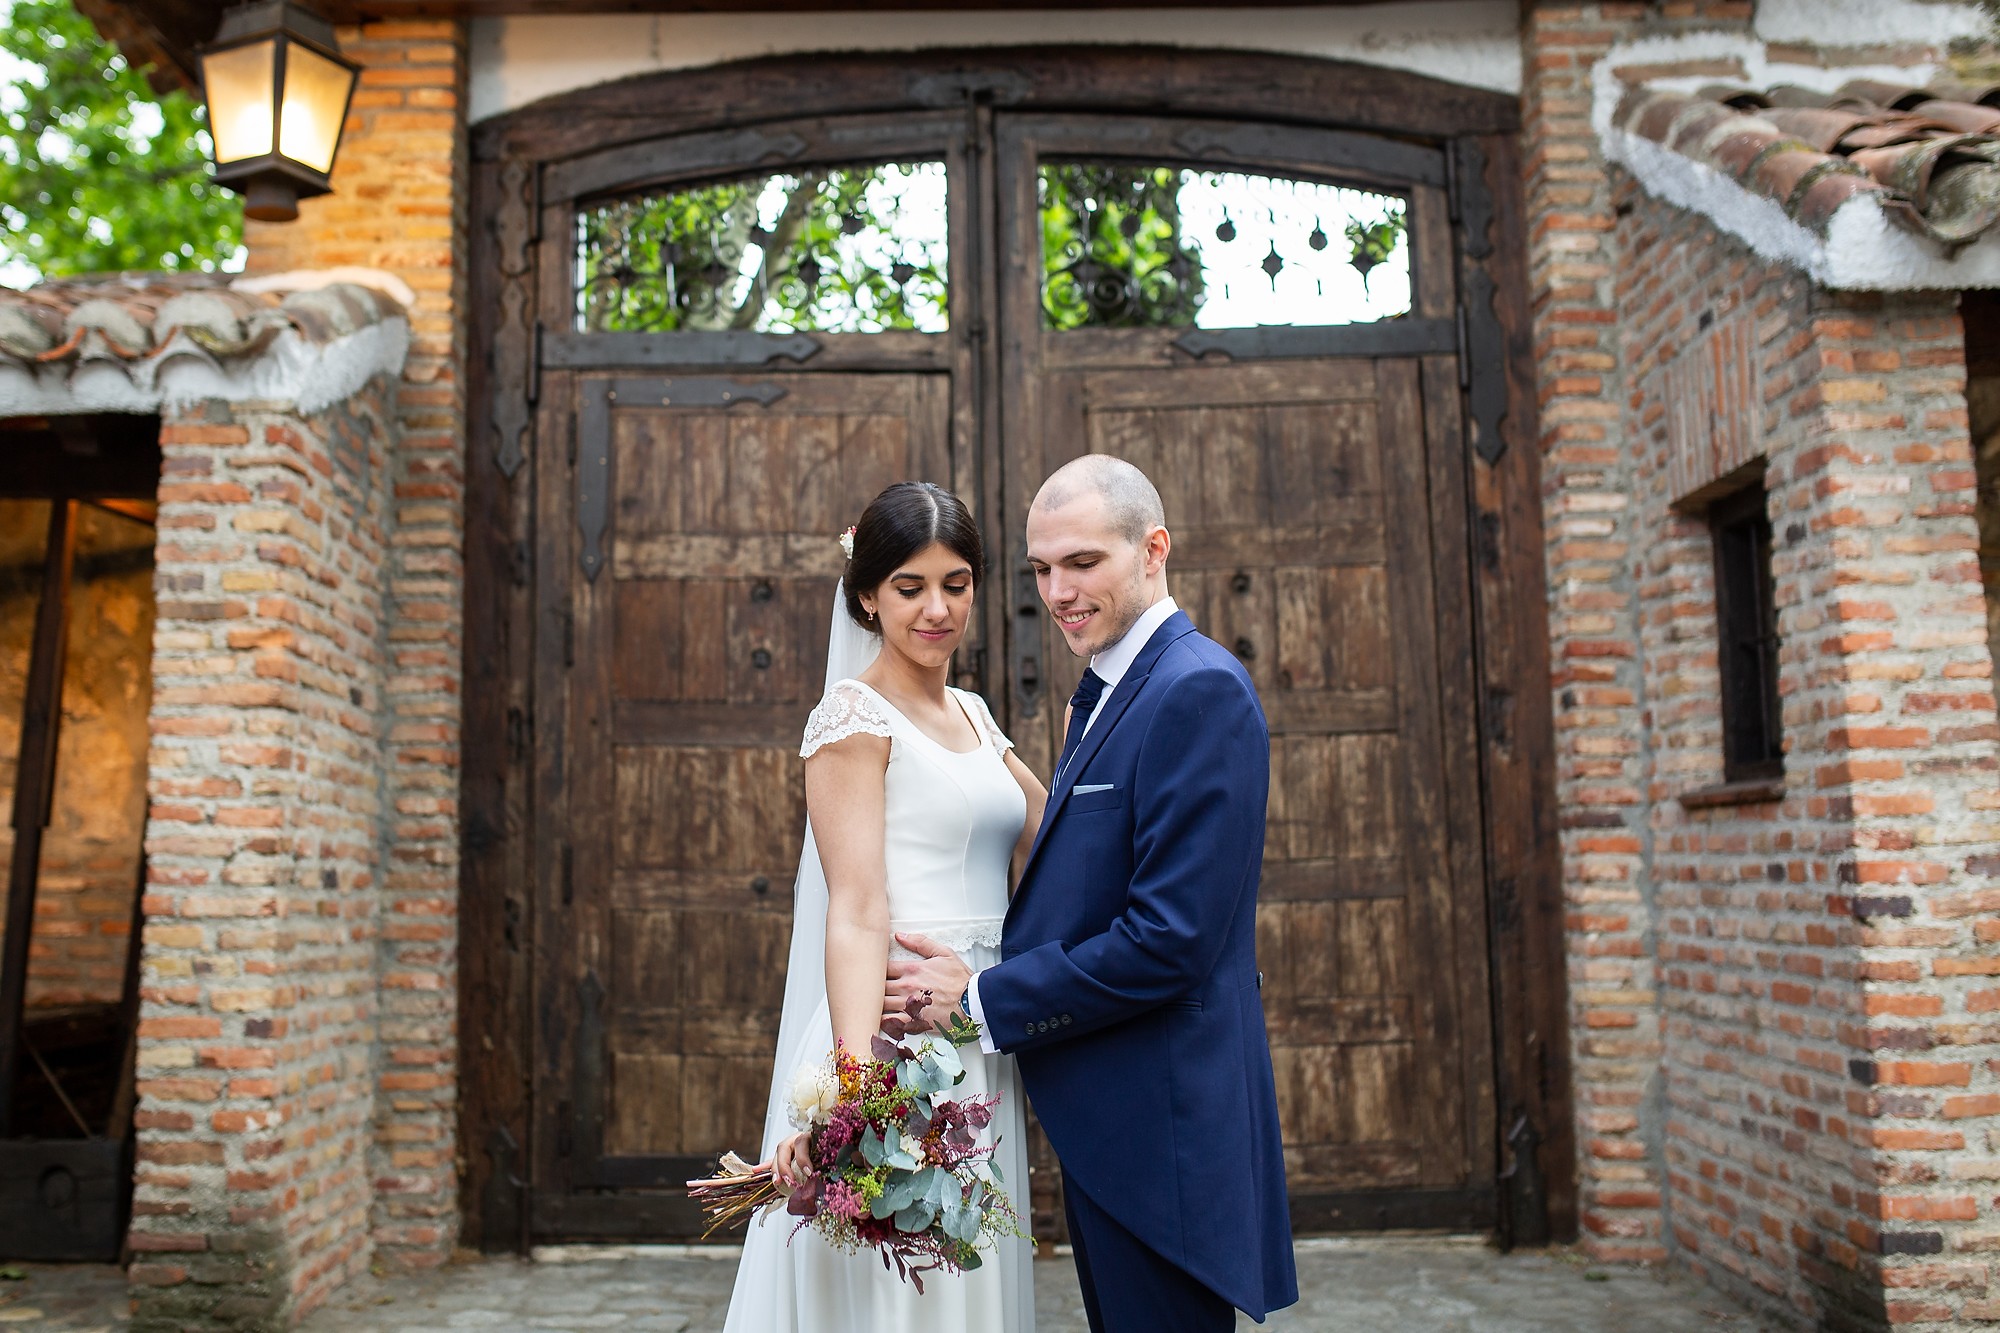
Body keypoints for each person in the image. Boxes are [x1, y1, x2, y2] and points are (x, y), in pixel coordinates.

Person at [889, 455, 1298, 1332]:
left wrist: (982, 1000)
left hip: (1167, 1128)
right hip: (1114, 1121)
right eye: (1041, 568)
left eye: (1083, 562)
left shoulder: (1199, 690)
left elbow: (1169, 938)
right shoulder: (1109, 688)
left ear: (1153, 550)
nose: (1058, 590)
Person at [721, 480, 1045, 1333]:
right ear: (867, 594)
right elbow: (858, 908)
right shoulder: (851, 720)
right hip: (897, 1033)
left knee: (972, 1274)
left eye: (957, 583)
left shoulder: (974, 714)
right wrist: (860, 1087)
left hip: (976, 1028)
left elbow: (1052, 839)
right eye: (910, 586)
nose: (937, 608)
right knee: (900, 1296)